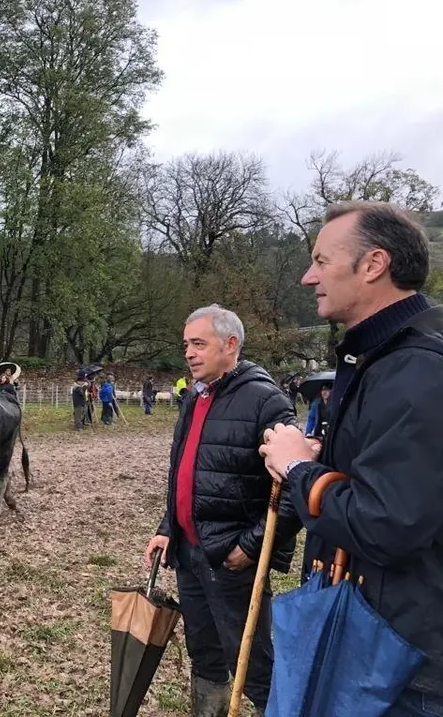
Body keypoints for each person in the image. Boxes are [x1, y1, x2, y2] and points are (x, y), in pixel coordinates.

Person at [259, 201, 443, 715]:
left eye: (321, 260)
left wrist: (300, 467)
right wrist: (323, 461)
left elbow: (386, 523)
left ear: (373, 265)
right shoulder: (379, 359)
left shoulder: (418, 370)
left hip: (399, 664)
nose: (307, 277)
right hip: (372, 636)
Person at [143, 304, 300, 717]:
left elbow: (295, 488)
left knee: (253, 666)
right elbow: (185, 472)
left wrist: (248, 547)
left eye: (199, 344)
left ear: (230, 345)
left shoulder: (267, 402)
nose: (189, 354)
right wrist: (167, 528)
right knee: (205, 653)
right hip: (190, 554)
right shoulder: (194, 397)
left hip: (231, 560)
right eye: (186, 346)